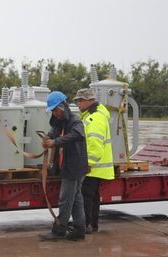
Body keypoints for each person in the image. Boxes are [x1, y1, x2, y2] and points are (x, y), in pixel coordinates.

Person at [39, 91, 88, 241]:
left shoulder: (74, 121)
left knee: (65, 199)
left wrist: (55, 142)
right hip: (71, 166)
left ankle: (59, 230)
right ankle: (79, 230)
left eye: (55, 110)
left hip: (74, 167)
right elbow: (54, 132)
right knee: (76, 198)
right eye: (52, 111)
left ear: (62, 106)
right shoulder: (59, 122)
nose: (54, 113)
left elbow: (78, 135)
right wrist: (48, 137)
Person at [73, 88, 115, 234]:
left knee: (86, 196)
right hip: (97, 165)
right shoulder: (92, 115)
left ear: (88, 100)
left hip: (94, 166)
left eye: (79, 101)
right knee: (92, 196)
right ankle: (92, 224)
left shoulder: (95, 117)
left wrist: (88, 163)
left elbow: (95, 143)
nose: (77, 104)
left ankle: (85, 224)